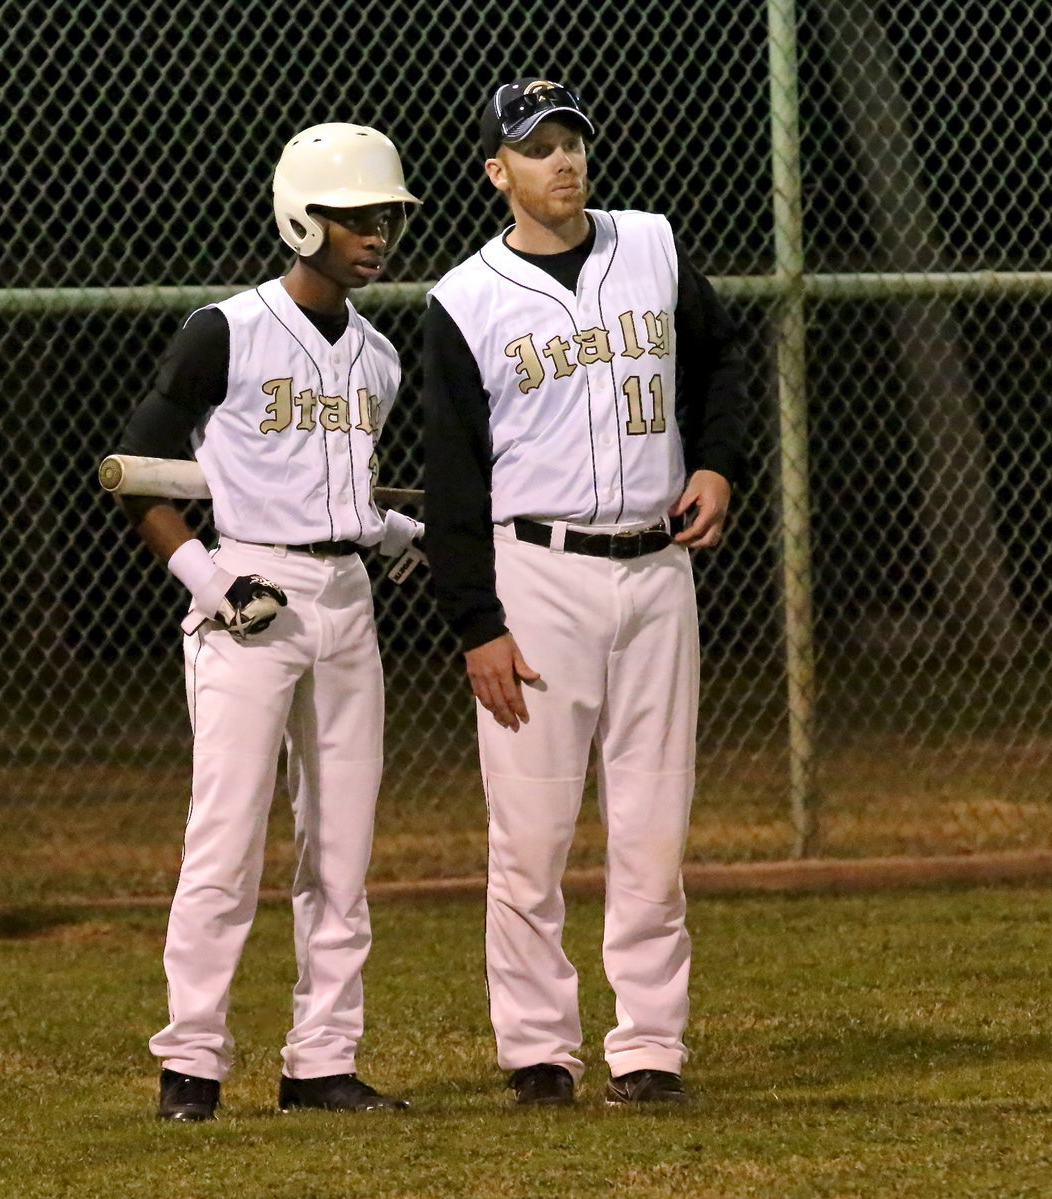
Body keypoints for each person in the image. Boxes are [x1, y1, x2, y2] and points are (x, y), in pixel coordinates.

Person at [420, 79, 748, 1106]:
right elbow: (453, 476)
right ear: (497, 171)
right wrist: (477, 620)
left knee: (654, 822)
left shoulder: (650, 244)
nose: (562, 160)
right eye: (536, 146)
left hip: (657, 568)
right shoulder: (463, 300)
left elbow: (722, 360)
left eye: (573, 141)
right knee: (531, 831)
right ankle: (536, 1047)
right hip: (539, 573)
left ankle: (649, 1042)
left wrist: (719, 463)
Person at [111, 123, 423, 1121]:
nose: (375, 232)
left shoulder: (377, 356)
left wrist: (398, 529)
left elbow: (339, 496)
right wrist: (207, 578)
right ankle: (191, 1065)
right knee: (225, 840)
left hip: (345, 602)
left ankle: (321, 1059)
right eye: (354, 216)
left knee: (341, 846)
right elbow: (136, 468)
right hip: (249, 594)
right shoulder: (227, 328)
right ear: (302, 217)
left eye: (384, 216)